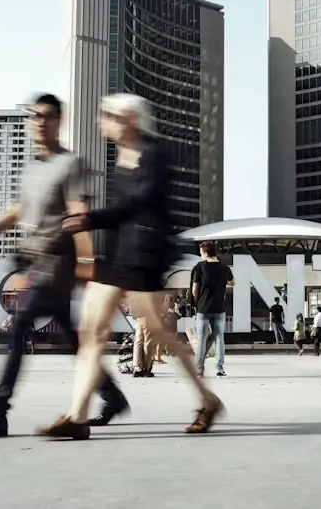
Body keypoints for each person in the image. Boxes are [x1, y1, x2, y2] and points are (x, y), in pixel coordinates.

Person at [39, 93, 223, 439]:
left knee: (161, 335)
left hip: (145, 257)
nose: (101, 121)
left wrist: (89, 219)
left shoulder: (154, 154)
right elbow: (126, 209)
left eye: (108, 114)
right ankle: (77, 417)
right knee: (91, 331)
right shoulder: (121, 156)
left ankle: (207, 399)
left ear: (129, 120)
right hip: (120, 255)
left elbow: (138, 203)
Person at [0, 93, 128, 438]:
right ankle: (112, 395)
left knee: (19, 329)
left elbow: (78, 213)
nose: (39, 121)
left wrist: (87, 263)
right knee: (71, 338)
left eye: (47, 116)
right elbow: (17, 212)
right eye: (34, 116)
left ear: (59, 121)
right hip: (35, 261)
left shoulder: (70, 163)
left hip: (58, 262)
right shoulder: (32, 168)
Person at [191, 240, 234, 378]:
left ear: (205, 253)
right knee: (219, 338)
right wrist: (221, 282)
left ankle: (199, 369)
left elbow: (194, 290)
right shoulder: (224, 268)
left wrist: (197, 304)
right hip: (219, 307)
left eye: (201, 253)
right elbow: (233, 283)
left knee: (202, 338)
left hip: (203, 308)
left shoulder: (200, 267)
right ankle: (220, 368)